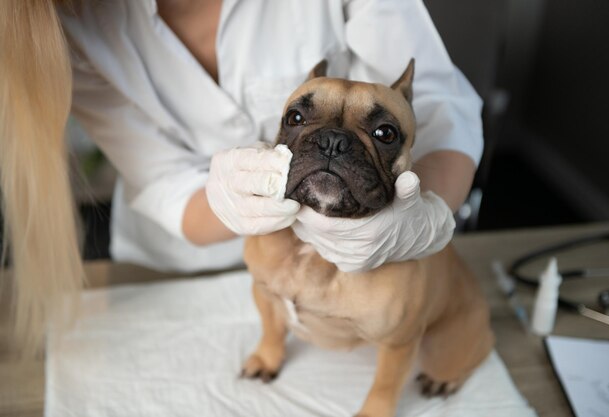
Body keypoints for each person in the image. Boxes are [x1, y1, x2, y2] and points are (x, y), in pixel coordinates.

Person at [0, 0, 483, 351]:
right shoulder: (61, 20)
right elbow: (163, 181)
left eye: (374, 131)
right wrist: (225, 199)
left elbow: (440, 102)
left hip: (373, 267)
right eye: (300, 120)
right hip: (179, 273)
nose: (333, 144)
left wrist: (425, 217)